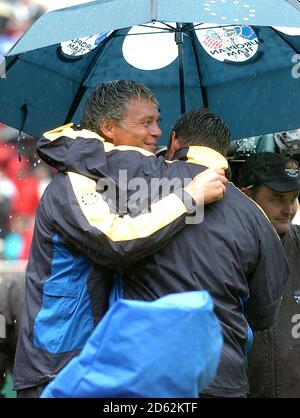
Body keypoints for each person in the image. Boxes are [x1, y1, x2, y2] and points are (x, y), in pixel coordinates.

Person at [14, 80, 227, 398]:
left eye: (158, 121)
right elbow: (118, 241)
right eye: (145, 123)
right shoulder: (71, 183)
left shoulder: (117, 180)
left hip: (98, 362)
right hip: (55, 368)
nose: (157, 132)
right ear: (109, 128)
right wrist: (190, 196)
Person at [113, 109, 288, 398]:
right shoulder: (253, 215)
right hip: (220, 376)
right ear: (223, 150)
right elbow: (264, 312)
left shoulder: (132, 190)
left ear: (173, 141)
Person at [238, 152, 300, 398]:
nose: (288, 209)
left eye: (294, 199)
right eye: (277, 198)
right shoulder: (222, 251)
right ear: (246, 197)